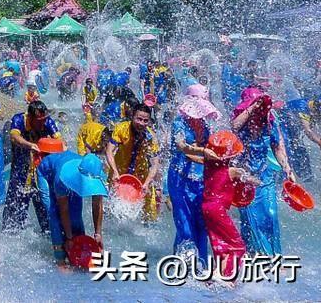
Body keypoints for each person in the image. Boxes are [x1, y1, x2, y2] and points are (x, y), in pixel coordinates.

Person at [231, 86, 292, 255]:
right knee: (251, 220)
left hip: (265, 176)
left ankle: (275, 256)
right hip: (244, 178)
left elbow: (277, 146)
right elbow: (234, 126)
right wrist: (252, 107)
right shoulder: (241, 122)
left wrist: (287, 169)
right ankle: (254, 255)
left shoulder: (270, 122)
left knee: (271, 215)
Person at [167, 84, 219, 262]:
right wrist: (203, 152)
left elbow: (209, 150)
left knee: (200, 224)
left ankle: (201, 265)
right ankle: (184, 267)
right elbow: (181, 147)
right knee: (184, 224)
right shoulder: (179, 123)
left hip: (199, 180)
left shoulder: (205, 126)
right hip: (179, 179)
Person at [35, 151, 108, 265]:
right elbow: (63, 210)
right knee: (54, 214)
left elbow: (97, 205)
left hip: (71, 168)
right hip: (46, 173)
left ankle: (77, 249)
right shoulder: (62, 178)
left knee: (76, 214)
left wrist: (98, 234)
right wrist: (69, 237)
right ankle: (60, 259)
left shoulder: (98, 175)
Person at [201, 131, 255, 279]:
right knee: (238, 246)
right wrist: (253, 180)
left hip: (206, 207)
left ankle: (216, 274)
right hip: (217, 210)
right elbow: (252, 180)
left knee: (222, 246)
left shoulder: (207, 165)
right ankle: (227, 277)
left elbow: (190, 155)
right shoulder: (232, 171)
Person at [2, 100, 59, 234]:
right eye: (39, 120)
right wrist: (30, 145)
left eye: (44, 119)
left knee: (45, 208)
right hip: (20, 171)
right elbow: (15, 136)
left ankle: (49, 235)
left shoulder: (48, 122)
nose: (43, 123)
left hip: (41, 173)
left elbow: (61, 142)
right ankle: (10, 236)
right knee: (14, 208)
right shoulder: (19, 120)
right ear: (30, 117)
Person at [104, 103, 161, 223]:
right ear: (132, 117)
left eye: (145, 120)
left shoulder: (150, 137)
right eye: (139, 119)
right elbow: (109, 151)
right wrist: (114, 172)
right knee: (110, 206)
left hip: (141, 176)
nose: (141, 123)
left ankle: (146, 229)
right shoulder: (121, 128)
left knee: (149, 212)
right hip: (118, 172)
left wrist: (147, 183)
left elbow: (155, 164)